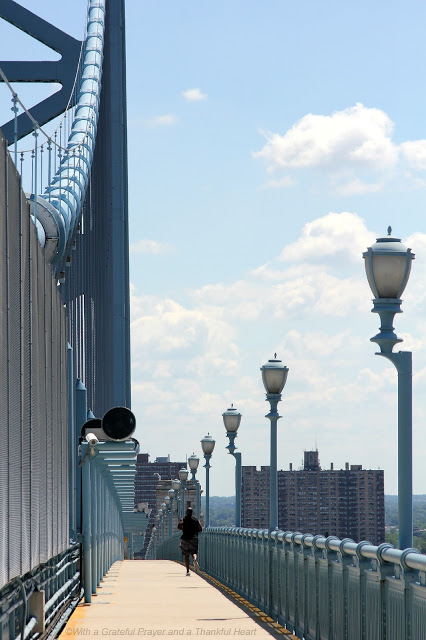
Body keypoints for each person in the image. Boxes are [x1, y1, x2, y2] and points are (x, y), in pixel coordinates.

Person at [177, 507, 202, 576]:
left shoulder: (183, 519)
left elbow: (179, 527)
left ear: (186, 513)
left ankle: (188, 571)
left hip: (185, 538)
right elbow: (200, 529)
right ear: (192, 513)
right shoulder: (195, 520)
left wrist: (183, 527)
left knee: (186, 555)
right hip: (194, 538)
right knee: (194, 552)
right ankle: (195, 559)